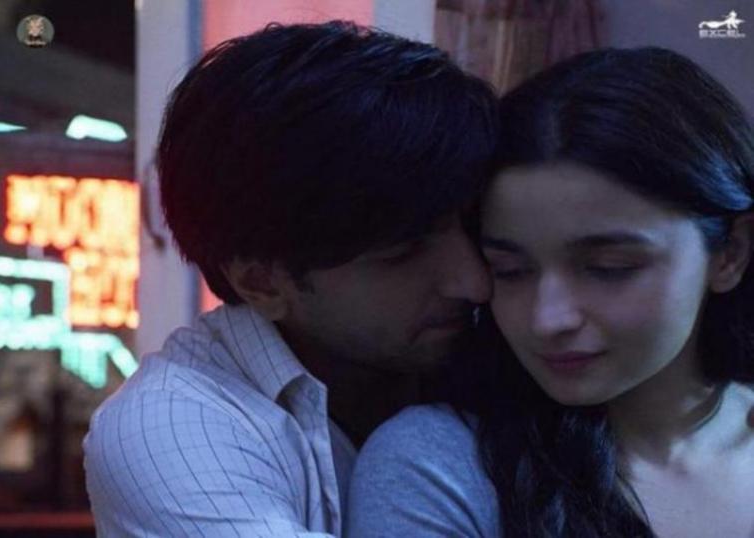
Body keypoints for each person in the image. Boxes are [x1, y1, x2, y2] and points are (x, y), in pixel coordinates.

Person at [83, 21, 499, 537]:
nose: (475, 282)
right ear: (261, 282)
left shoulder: (497, 352)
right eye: (404, 253)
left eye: (474, 228)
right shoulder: (170, 426)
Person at [347, 46, 754, 538]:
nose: (547, 319)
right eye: (510, 270)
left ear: (730, 253)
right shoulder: (443, 464)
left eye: (608, 268)